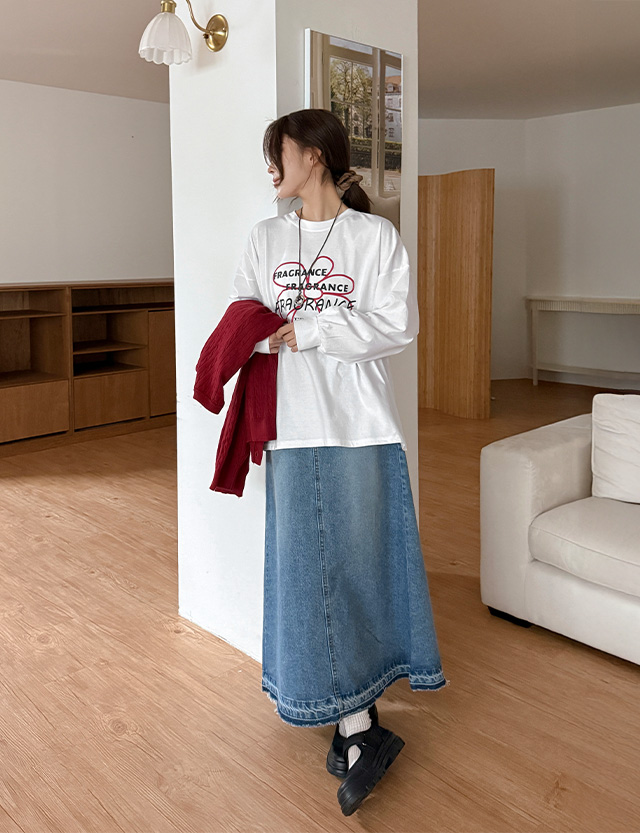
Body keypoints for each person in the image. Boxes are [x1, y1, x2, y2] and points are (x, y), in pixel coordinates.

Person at [226, 108, 450, 815]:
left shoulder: (374, 238)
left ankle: (358, 719)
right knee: (305, 576)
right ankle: (352, 719)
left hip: (359, 427)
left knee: (360, 567)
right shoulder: (265, 237)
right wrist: (267, 333)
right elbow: (241, 320)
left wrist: (311, 329)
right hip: (289, 428)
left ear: (314, 157)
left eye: (280, 153)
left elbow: (397, 325)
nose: (272, 167)